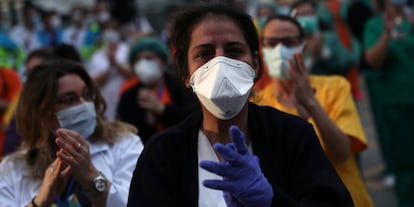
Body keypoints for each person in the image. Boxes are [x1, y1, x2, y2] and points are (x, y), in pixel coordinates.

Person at [127, 3, 353, 206]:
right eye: (204, 54)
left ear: (255, 64)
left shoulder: (292, 135)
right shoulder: (162, 154)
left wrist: (272, 202)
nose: (220, 62)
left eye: (234, 51)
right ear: (186, 74)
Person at [256, 14, 373, 207]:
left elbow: (342, 152)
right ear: (261, 49)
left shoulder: (335, 87)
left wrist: (310, 102)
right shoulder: (259, 103)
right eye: (271, 43)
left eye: (288, 42)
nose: (279, 50)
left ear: (303, 47)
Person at [0, 60, 144, 206]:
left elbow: (138, 202)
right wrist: (41, 202)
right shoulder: (13, 168)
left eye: (87, 95)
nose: (84, 105)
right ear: (42, 112)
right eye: (69, 100)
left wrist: (92, 178)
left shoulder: (124, 144)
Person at [363, 0, 414, 205]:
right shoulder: (375, 25)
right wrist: (386, 34)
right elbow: (372, 60)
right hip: (396, 102)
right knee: (405, 160)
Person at [117, 37, 197, 144]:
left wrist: (162, 109)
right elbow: (127, 133)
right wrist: (148, 122)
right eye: (138, 60)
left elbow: (193, 119)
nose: (143, 63)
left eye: (148, 58)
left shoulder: (182, 86)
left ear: (162, 61)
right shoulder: (128, 95)